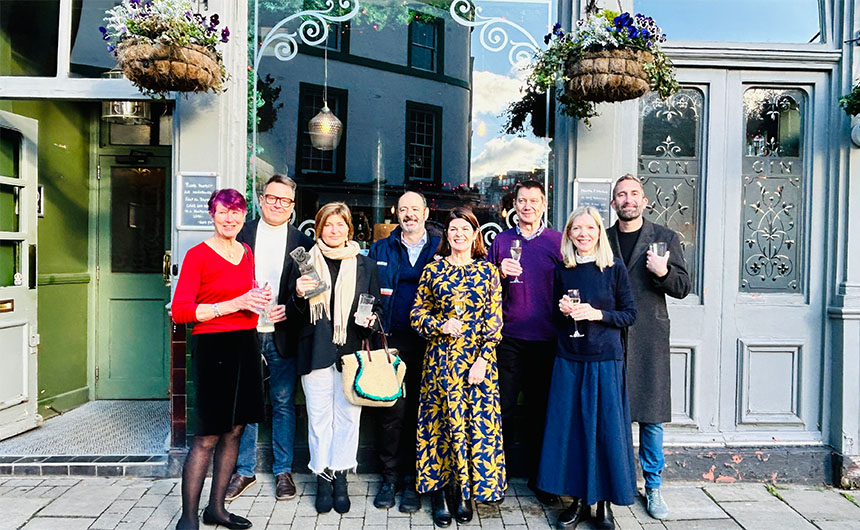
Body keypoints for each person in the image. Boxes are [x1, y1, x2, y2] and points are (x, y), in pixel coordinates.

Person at [171, 189, 270, 530]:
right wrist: (235, 303)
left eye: (237, 212)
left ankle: (217, 510)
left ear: (244, 216)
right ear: (212, 216)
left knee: (235, 430)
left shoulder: (245, 251)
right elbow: (181, 311)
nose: (230, 218)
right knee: (207, 436)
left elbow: (245, 298)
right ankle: (188, 518)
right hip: (212, 347)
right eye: (223, 212)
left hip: (245, 344)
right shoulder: (197, 255)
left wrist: (258, 298)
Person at [537, 206, 638, 530]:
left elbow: (629, 314)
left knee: (606, 433)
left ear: (598, 232)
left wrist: (598, 315)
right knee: (573, 433)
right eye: (576, 229)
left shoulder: (614, 268)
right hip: (569, 359)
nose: (582, 234)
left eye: (589, 228)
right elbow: (554, 319)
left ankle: (603, 504)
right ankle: (578, 502)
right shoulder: (562, 271)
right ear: (568, 234)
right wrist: (564, 311)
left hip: (605, 360)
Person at [411, 206, 505, 528]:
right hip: (439, 363)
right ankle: (439, 493)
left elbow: (494, 323)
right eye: (453, 229)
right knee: (439, 428)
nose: (459, 234)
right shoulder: (433, 270)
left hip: (477, 366)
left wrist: (482, 360)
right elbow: (416, 315)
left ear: (475, 233)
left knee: (472, 430)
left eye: (465, 228)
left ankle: (465, 493)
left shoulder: (488, 272)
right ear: (446, 235)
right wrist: (440, 324)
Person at [286, 202, 382, 515]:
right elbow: (291, 314)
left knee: (348, 418)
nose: (334, 230)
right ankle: (322, 477)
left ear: (349, 230)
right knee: (319, 419)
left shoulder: (365, 264)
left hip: (351, 351)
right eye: (328, 224)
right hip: (314, 350)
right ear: (319, 227)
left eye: (340, 225)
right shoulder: (303, 263)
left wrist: (371, 320)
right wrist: (298, 295)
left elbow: (377, 308)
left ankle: (340, 476)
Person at [606, 174, 691, 520]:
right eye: (621, 195)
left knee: (651, 418)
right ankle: (616, 482)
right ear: (613, 203)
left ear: (644, 201)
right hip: (609, 335)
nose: (628, 199)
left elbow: (683, 286)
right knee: (612, 415)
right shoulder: (602, 237)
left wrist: (662, 271)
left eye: (634, 194)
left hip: (648, 339)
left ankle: (653, 487)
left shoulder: (664, 237)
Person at [225, 175, 314, 502]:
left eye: (285, 200)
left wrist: (289, 309)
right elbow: (221, 280)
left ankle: (283, 471)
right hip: (244, 331)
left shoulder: (302, 242)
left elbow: (313, 288)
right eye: (272, 198)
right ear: (261, 200)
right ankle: (244, 471)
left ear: (292, 206)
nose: (278, 204)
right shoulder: (241, 233)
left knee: (282, 404)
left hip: (282, 334)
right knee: (246, 404)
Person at [485, 179, 563, 505]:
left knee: (539, 412)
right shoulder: (501, 242)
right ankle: (496, 478)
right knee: (500, 409)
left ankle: (539, 479)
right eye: (522, 201)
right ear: (513, 206)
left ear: (544, 204)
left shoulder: (557, 242)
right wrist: (497, 273)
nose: (527, 206)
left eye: (534, 200)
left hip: (546, 339)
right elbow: (483, 290)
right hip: (509, 339)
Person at [367, 191, 442, 512]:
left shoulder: (442, 247)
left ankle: (414, 481)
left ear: (426, 212)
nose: (409, 214)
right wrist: (367, 321)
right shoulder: (380, 248)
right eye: (403, 209)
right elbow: (367, 293)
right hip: (391, 342)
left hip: (431, 345)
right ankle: (390, 478)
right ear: (395, 213)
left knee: (422, 415)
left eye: (415, 209)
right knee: (391, 413)